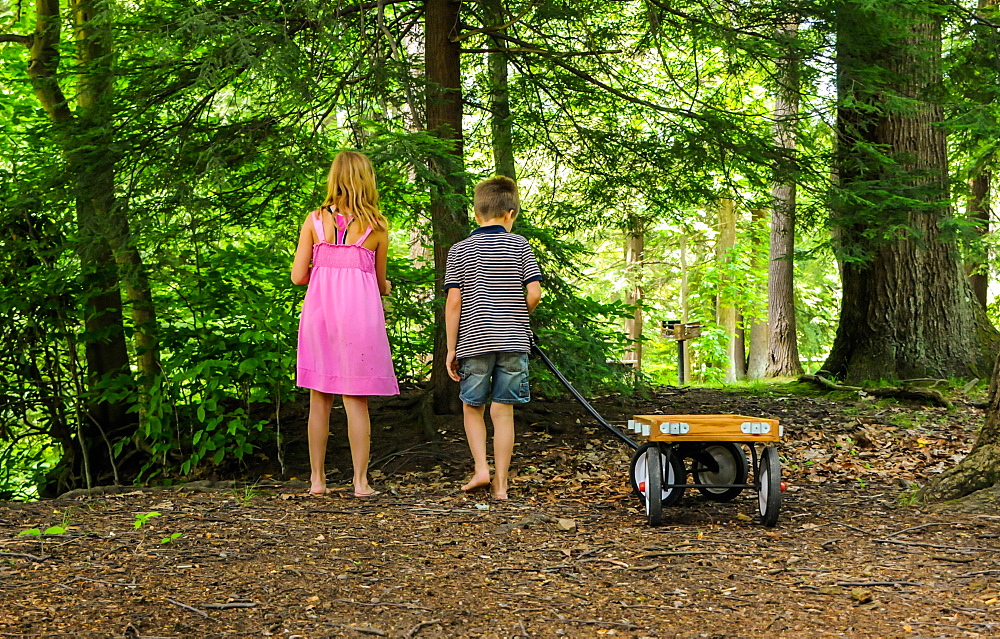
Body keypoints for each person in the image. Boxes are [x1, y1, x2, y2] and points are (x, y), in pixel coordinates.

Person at [291, 151, 399, 497]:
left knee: (319, 398)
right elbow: (380, 283)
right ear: (367, 181)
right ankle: (360, 482)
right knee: (356, 400)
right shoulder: (377, 227)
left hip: (320, 317)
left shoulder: (314, 220)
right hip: (359, 319)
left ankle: (317, 481)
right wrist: (385, 285)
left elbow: (297, 277)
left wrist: (323, 268)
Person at [444, 176, 543, 500]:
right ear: (511, 213)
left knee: (472, 406)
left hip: (474, 340)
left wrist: (450, 348)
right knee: (503, 411)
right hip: (514, 340)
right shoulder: (520, 245)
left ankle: (480, 469)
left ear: (476, 215)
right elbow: (534, 292)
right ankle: (501, 484)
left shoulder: (459, 250)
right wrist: (518, 316)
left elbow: (454, 301)